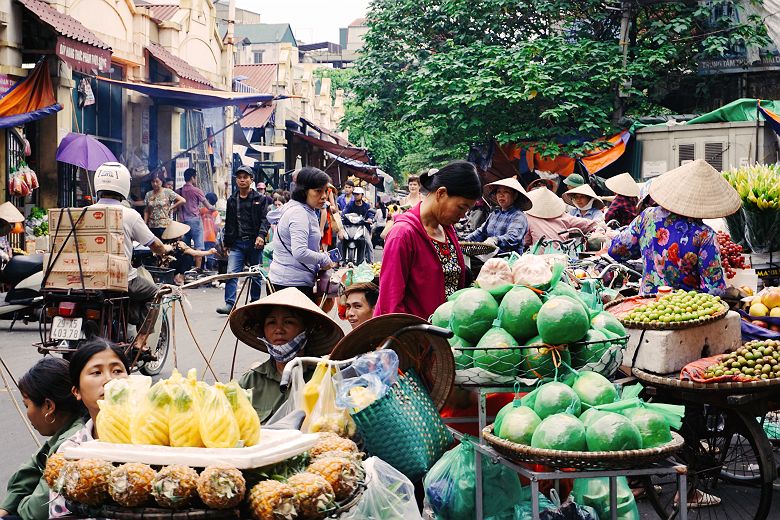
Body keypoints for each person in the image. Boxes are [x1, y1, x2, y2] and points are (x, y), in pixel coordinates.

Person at [608, 159, 739, 296]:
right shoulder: (705, 235)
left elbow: (616, 251)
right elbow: (714, 290)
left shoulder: (647, 217)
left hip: (647, 308)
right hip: (685, 312)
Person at [375, 160, 482, 319]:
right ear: (441, 193)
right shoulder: (402, 234)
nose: (462, 216)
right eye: (461, 207)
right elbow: (391, 304)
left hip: (445, 336)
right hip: (415, 337)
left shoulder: (446, 229)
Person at [230, 288, 345, 423]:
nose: (279, 330)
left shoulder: (326, 377)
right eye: (271, 323)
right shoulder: (251, 381)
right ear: (263, 331)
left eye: (289, 322)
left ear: (307, 330)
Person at [50, 340, 130, 518]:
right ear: (76, 391)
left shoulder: (155, 442)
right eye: (96, 372)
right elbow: (59, 513)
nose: (110, 380)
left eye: (117, 371)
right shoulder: (70, 452)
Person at [0, 358, 84, 520]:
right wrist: (7, 506)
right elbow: (32, 468)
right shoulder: (63, 435)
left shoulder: (71, 445)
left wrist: (17, 506)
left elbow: (35, 511)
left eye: (27, 405)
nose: (28, 413)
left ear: (48, 406)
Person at [92, 163, 173, 328]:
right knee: (156, 293)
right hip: (120, 280)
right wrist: (165, 249)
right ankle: (141, 341)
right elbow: (155, 245)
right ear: (124, 186)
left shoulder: (83, 212)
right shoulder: (129, 215)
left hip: (86, 279)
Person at [267, 167, 335, 298]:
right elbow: (300, 252)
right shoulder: (299, 213)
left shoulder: (299, 208)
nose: (324, 196)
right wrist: (324, 258)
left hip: (291, 282)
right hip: (290, 286)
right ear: (304, 192)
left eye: (325, 191)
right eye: (318, 191)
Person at [218, 166, 270, 314]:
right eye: (239, 177)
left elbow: (265, 220)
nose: (242, 180)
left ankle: (255, 303)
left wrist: (261, 236)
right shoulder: (232, 200)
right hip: (237, 243)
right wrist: (227, 243)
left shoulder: (260, 199)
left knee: (255, 274)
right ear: (236, 180)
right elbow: (229, 222)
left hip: (255, 242)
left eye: (245, 177)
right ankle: (229, 304)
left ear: (251, 180)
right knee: (231, 273)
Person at [466, 176, 533, 254]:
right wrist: (465, 240)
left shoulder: (518, 216)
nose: (501, 195)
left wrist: (495, 240)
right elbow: (481, 232)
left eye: (506, 192)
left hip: (508, 259)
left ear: (515, 196)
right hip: (489, 257)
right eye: (498, 192)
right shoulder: (494, 214)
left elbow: (513, 237)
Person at [523, 187, 599, 247]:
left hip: (540, 258)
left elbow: (526, 241)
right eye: (576, 197)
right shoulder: (565, 216)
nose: (579, 200)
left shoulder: (528, 218)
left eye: (582, 197)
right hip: (562, 255)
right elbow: (590, 224)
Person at [178, 168, 215, 271]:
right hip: (195, 221)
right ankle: (197, 272)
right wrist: (214, 208)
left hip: (182, 223)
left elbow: (177, 208)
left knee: (185, 248)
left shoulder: (179, 191)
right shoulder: (197, 191)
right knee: (199, 247)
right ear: (192, 178)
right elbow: (208, 206)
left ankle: (185, 271)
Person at [200, 192, 220, 271]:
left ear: (207, 200)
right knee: (210, 255)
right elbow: (217, 227)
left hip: (201, 237)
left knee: (201, 254)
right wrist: (215, 236)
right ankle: (210, 271)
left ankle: (201, 270)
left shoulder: (201, 211)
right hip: (211, 237)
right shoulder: (216, 213)